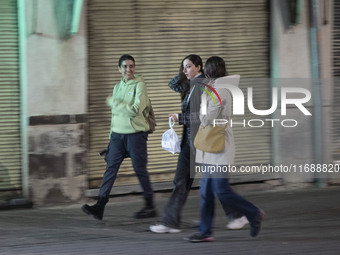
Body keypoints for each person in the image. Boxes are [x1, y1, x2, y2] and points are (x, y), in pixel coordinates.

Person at [150, 55, 247, 234]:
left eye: (188, 66)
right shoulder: (192, 85)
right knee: (187, 181)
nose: (184, 70)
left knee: (204, 183)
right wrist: (185, 72)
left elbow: (201, 118)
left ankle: (238, 215)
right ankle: (236, 215)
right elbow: (173, 84)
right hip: (192, 141)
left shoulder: (204, 87)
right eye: (183, 67)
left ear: (200, 67)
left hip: (200, 141)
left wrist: (180, 118)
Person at [187, 56, 264, 243]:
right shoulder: (217, 88)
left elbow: (207, 118)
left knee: (221, 191)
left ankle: (253, 213)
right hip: (210, 148)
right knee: (205, 192)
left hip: (219, 148)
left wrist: (204, 96)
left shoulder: (220, 90)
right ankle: (205, 231)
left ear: (209, 72)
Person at [82, 54, 156, 220]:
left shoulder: (140, 85)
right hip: (117, 136)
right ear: (119, 69)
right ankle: (100, 206)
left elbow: (136, 109)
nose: (128, 69)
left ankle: (150, 205)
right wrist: (110, 139)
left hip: (136, 135)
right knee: (110, 169)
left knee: (140, 169)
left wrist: (114, 103)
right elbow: (114, 116)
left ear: (134, 68)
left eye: (131, 66)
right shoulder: (116, 87)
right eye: (124, 66)